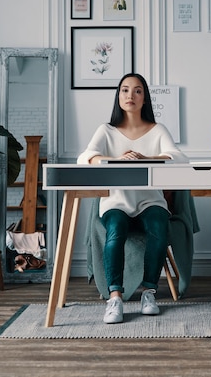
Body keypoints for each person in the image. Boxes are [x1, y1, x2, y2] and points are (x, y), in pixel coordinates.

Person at [77, 73, 188, 324]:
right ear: (118, 96)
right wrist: (116, 160)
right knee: (115, 230)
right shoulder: (106, 130)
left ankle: (149, 292)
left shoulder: (158, 130)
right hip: (116, 203)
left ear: (145, 98)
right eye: (125, 90)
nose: (130, 95)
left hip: (150, 202)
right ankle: (115, 297)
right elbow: (84, 158)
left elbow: (180, 158)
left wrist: (146, 159)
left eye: (137, 91)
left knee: (159, 227)